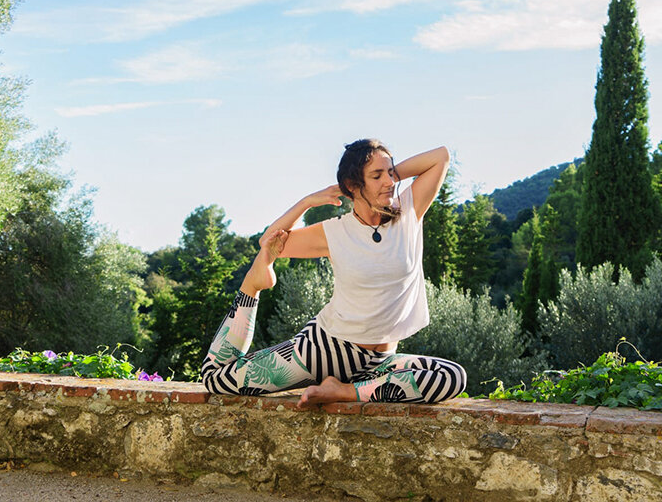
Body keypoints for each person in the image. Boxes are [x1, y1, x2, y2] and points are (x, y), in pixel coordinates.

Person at [200, 139, 467, 406]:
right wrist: (307, 202)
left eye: (391, 172)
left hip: (379, 362)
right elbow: (269, 242)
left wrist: (387, 174)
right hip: (325, 350)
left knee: (452, 377)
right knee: (216, 379)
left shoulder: (407, 212)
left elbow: (440, 157)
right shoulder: (335, 232)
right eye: (377, 175)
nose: (390, 181)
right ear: (353, 186)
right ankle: (252, 285)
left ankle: (343, 391)